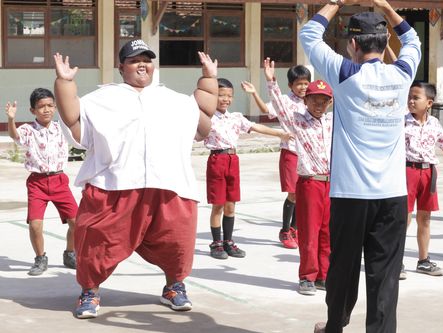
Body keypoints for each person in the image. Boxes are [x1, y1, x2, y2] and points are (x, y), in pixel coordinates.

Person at [53, 39, 218, 319]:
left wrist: (209, 78)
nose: (142, 64)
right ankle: (90, 291)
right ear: (121, 67)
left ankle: (174, 286)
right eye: (134, 60)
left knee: (176, 242)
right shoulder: (101, 100)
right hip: (114, 185)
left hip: (169, 185)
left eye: (147, 59)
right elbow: (74, 123)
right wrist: (64, 84)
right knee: (95, 242)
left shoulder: (174, 100)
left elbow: (203, 118)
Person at [299, 0, 421, 332]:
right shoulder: (402, 74)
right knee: (385, 276)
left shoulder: (344, 73)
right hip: (393, 195)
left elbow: (309, 34)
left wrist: (334, 4)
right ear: (385, 44)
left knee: (342, 269)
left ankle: (334, 327)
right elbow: (413, 41)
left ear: (353, 45)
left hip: (350, 194)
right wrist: (385, 6)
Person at [205, 78, 291, 260]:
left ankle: (228, 242)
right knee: (218, 205)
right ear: (213, 96)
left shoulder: (235, 117)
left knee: (231, 204)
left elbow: (256, 127)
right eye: (221, 95)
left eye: (229, 96)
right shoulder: (207, 118)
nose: (225, 99)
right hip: (217, 160)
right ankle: (216, 243)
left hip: (232, 160)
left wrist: (280, 134)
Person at [5, 88, 78, 276]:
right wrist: (11, 119)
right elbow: (15, 136)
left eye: (50, 106)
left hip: (59, 180)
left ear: (55, 107)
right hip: (37, 183)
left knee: (76, 222)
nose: (46, 110)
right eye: (41, 107)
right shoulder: (28, 130)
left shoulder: (62, 128)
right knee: (35, 224)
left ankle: (70, 253)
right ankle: (40, 258)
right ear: (32, 111)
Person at [241, 58, 311, 249]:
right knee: (293, 194)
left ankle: (296, 229)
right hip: (290, 152)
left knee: (303, 194)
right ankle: (285, 230)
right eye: (299, 84)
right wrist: (262, 87)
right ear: (291, 85)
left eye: (306, 83)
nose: (303, 87)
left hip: (308, 154)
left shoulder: (311, 102)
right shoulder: (285, 101)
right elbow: (268, 108)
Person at [401, 81, 443, 280]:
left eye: (416, 98)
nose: (411, 101)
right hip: (407, 170)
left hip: (428, 172)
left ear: (429, 103)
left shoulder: (434, 123)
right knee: (404, 218)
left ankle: (423, 260)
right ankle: (396, 261)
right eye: (410, 97)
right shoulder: (402, 121)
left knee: (425, 218)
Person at [285, 80, 333, 295]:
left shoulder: (332, 121)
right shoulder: (298, 121)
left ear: (330, 103)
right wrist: (271, 83)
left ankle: (324, 275)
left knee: (328, 232)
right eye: (315, 100)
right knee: (309, 232)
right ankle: (307, 277)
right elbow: (280, 107)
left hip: (332, 183)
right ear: (306, 101)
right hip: (310, 182)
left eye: (324, 101)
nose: (319, 105)